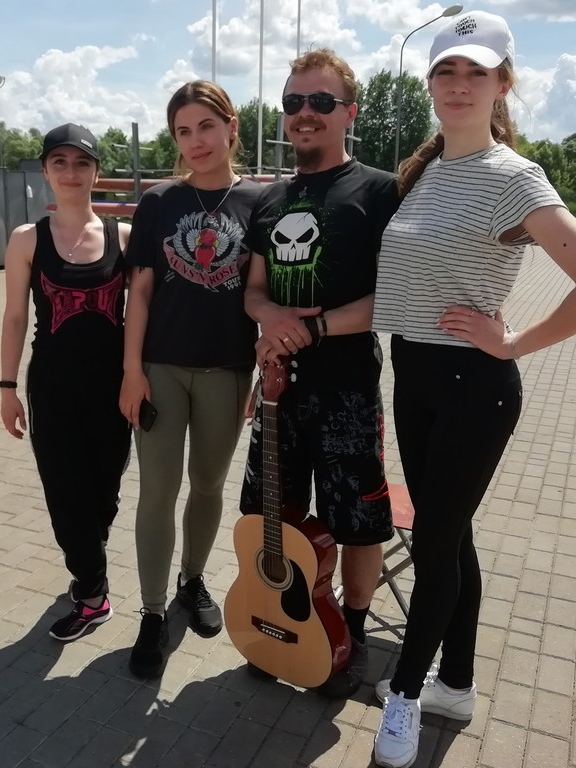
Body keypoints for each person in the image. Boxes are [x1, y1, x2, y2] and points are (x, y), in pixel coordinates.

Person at [369, 13, 576, 768]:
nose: (459, 85)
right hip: (414, 377)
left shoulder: (513, 177)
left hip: (471, 388)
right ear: (430, 84)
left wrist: (515, 341)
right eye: (446, 71)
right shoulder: (424, 171)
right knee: (453, 538)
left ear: (502, 85)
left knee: (434, 546)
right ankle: (455, 683)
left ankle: (406, 697)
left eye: (476, 73)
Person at [239, 48, 400, 698]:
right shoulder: (269, 200)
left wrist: (315, 328)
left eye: (321, 101)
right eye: (293, 102)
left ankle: (348, 633)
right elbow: (253, 291)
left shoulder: (380, 191)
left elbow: (395, 295)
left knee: (357, 523)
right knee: (269, 514)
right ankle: (276, 616)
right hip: (278, 393)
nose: (305, 113)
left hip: (346, 393)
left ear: (349, 112)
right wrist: (271, 317)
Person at [119, 81, 263, 679]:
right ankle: (153, 612)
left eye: (206, 126)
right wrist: (131, 370)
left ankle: (191, 579)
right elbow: (140, 293)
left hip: (227, 371)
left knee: (207, 485)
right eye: (183, 131)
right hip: (162, 370)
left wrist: (264, 369)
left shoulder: (262, 202)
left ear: (231, 126)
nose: (196, 141)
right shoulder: (159, 202)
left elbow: (265, 292)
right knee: (157, 490)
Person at [0, 123, 132, 643]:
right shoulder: (27, 239)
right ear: (45, 171)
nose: (71, 172)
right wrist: (7, 388)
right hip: (53, 386)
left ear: (96, 172)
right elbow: (14, 316)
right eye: (60, 162)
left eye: (82, 163)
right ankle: (94, 594)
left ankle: (87, 563)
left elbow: (145, 310)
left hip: (113, 387)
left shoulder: (124, 237)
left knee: (105, 492)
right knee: (65, 490)